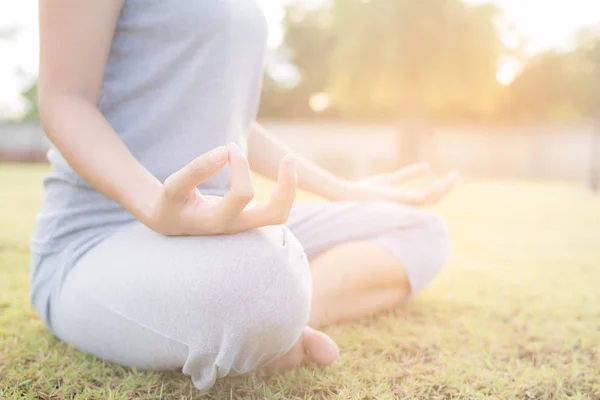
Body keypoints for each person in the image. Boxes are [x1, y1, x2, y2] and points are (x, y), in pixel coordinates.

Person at [31, 0, 458, 391]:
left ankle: (285, 322)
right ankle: (268, 315)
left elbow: (233, 125)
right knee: (262, 279)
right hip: (99, 238)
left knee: (417, 227)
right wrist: (154, 205)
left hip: (217, 222)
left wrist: (347, 191)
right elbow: (64, 98)